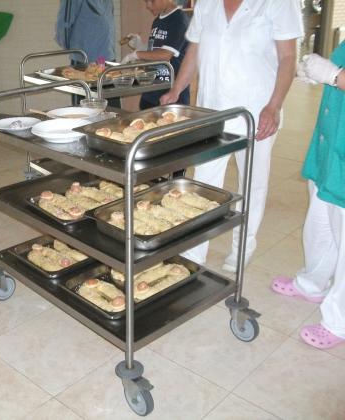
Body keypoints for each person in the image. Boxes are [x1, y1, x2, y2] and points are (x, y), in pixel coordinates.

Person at [160, 0, 303, 272]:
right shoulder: (207, 3)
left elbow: (287, 57)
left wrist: (274, 106)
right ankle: (195, 250)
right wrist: (177, 89)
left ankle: (243, 246)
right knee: (203, 183)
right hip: (212, 111)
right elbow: (195, 49)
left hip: (257, 111)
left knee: (252, 183)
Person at [271, 44, 345, 350]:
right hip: (332, 147)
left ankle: (339, 321)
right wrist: (322, 74)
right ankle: (312, 283)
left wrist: (334, 75)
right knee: (321, 221)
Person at [120, 0, 190, 109]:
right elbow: (155, 50)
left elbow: (165, 54)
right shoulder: (157, 20)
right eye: (146, 1)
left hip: (171, 95)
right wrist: (140, 46)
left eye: (152, 1)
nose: (148, 6)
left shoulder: (179, 19)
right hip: (151, 93)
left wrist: (135, 55)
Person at [55, 0, 120, 108]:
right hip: (96, 57)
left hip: (92, 59)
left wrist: (70, 48)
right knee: (106, 107)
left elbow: (65, 24)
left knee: (103, 108)